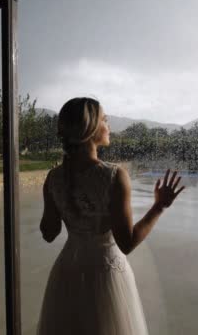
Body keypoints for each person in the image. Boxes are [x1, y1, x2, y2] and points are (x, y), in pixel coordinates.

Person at [37, 97, 185, 335]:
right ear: (91, 128)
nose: (109, 125)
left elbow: (48, 232)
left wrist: (62, 200)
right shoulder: (114, 176)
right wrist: (159, 207)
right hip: (105, 278)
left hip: (68, 272)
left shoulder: (53, 178)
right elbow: (127, 243)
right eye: (105, 119)